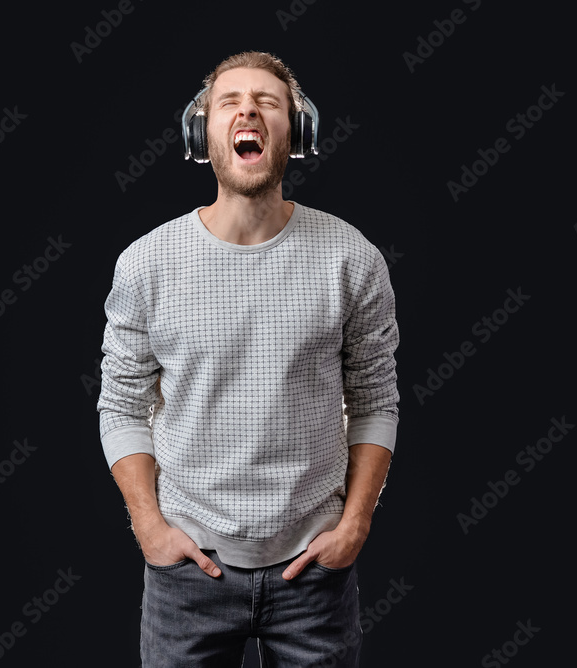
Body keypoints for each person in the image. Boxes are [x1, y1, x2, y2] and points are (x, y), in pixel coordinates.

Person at [97, 50, 399, 667]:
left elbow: (375, 399)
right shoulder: (147, 263)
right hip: (188, 576)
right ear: (202, 132)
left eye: (268, 101)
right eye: (230, 101)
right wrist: (149, 527)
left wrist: (355, 526)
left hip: (315, 570)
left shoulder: (352, 258)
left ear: (297, 130)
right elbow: (121, 403)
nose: (249, 112)